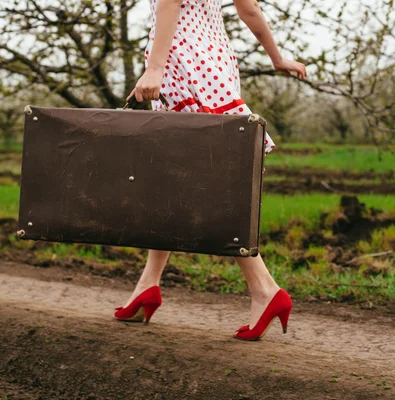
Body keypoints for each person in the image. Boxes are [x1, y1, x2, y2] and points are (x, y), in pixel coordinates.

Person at [114, 0, 307, 341]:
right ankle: (148, 284)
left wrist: (155, 67)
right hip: (214, 62)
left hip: (182, 60)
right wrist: (277, 58)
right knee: (172, 179)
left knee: (204, 185)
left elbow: (170, 3)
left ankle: (265, 289)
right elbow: (249, 9)